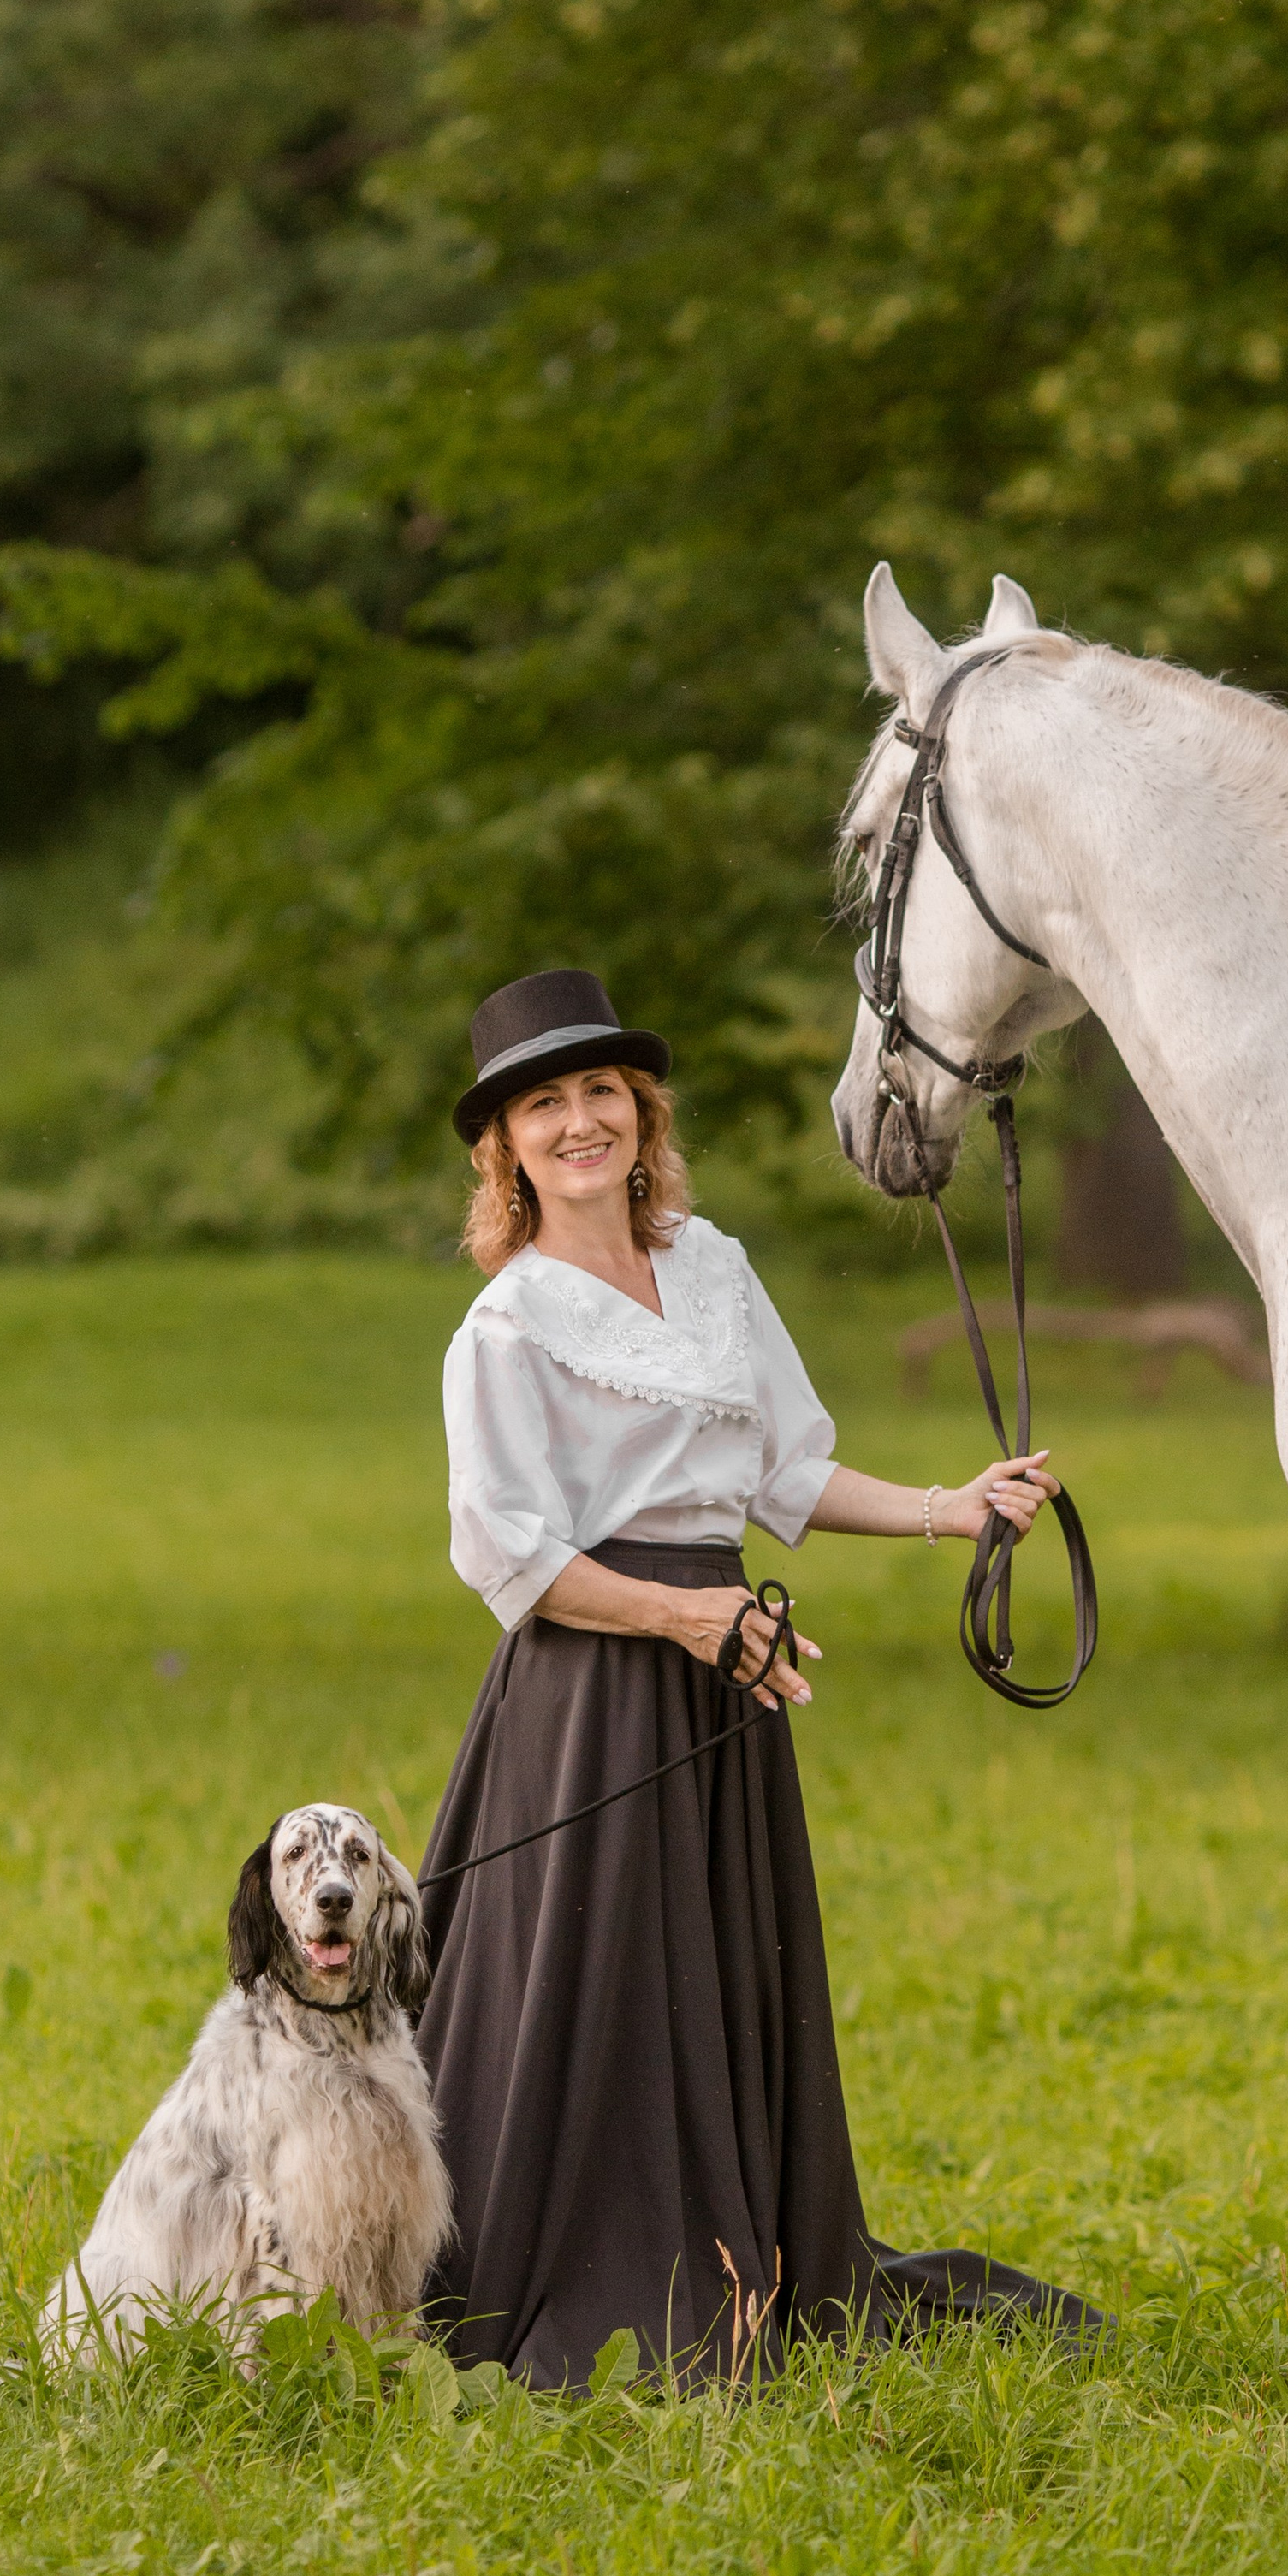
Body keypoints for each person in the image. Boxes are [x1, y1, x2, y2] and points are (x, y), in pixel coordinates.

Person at [418, 966, 1101, 2389]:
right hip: (592, 1684)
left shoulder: (715, 1267)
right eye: (546, 1105)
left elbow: (785, 1467)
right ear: (509, 1151)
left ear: (642, 1113)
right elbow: (510, 1555)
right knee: (597, 1983)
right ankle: (611, 2275)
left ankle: (749, 2252)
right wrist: (684, 1623)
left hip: (730, 1655)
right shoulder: (507, 1328)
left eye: (601, 1090)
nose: (580, 1121)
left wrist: (951, 1504)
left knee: (724, 1961)